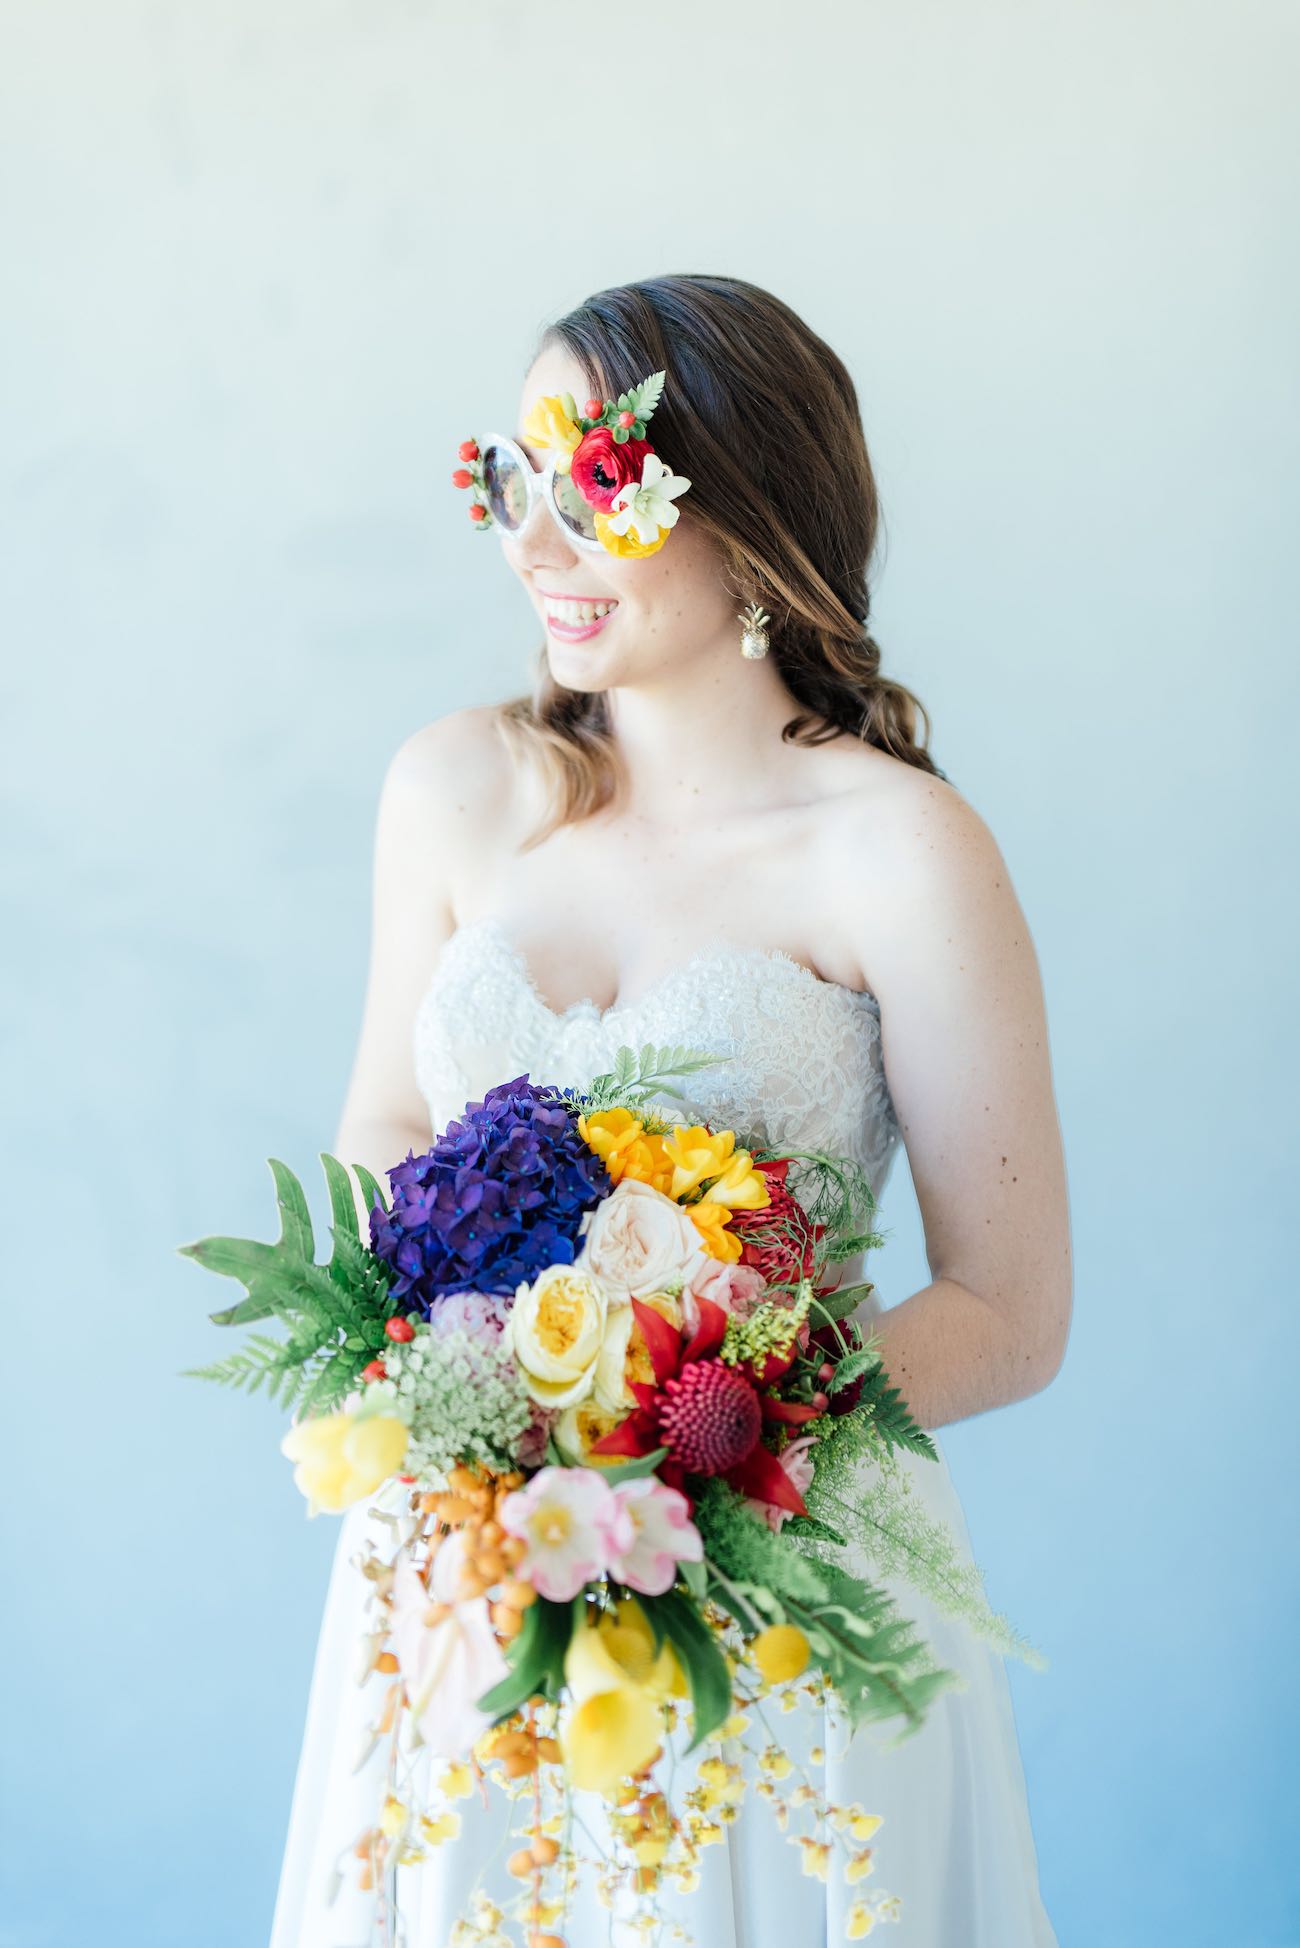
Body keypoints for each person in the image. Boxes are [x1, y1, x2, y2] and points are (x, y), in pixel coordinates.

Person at [269, 273, 1070, 1947]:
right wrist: (469, 1401)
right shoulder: (451, 791)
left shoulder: (905, 854)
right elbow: (377, 1134)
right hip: (475, 1569)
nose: (535, 546)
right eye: (511, 482)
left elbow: (1010, 1310)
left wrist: (711, 1435)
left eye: (598, 491)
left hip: (780, 1592)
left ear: (755, 514)